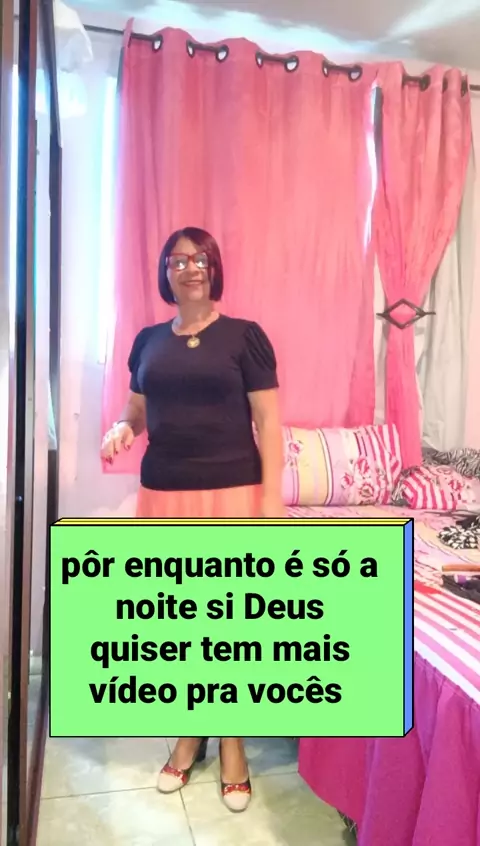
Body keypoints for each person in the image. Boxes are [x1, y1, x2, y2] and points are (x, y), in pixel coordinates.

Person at [101, 227, 285, 812]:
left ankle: (231, 740)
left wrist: (271, 502)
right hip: (164, 494)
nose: (191, 267)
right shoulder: (148, 341)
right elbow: (137, 408)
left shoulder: (244, 337)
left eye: (201, 258)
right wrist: (121, 427)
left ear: (215, 268)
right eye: (178, 260)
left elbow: (269, 423)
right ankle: (190, 729)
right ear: (166, 272)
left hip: (232, 493)